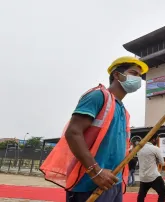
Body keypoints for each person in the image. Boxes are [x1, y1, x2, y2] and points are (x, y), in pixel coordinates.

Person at [40, 56, 149, 202]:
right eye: (134, 73)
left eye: (140, 76)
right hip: (89, 183)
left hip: (113, 183)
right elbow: (73, 133)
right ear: (117, 75)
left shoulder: (123, 111)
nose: (138, 79)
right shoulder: (98, 96)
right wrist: (96, 172)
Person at [137, 137, 165, 202]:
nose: (157, 141)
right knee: (162, 193)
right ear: (153, 139)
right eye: (157, 139)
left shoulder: (139, 149)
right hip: (153, 176)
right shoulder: (155, 148)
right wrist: (163, 162)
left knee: (141, 195)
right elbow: (162, 163)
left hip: (143, 177)